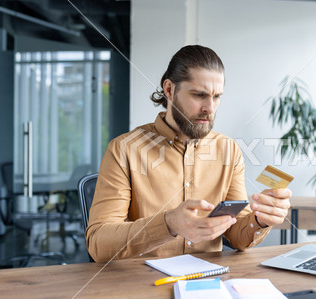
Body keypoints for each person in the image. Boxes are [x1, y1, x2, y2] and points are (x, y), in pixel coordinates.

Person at [86, 45, 292, 262]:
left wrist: (260, 220)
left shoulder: (228, 149)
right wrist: (168, 224)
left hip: (209, 284)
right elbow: (98, 244)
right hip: (143, 285)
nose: (210, 108)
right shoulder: (124, 149)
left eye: (216, 96)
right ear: (169, 90)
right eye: (199, 95)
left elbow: (237, 237)